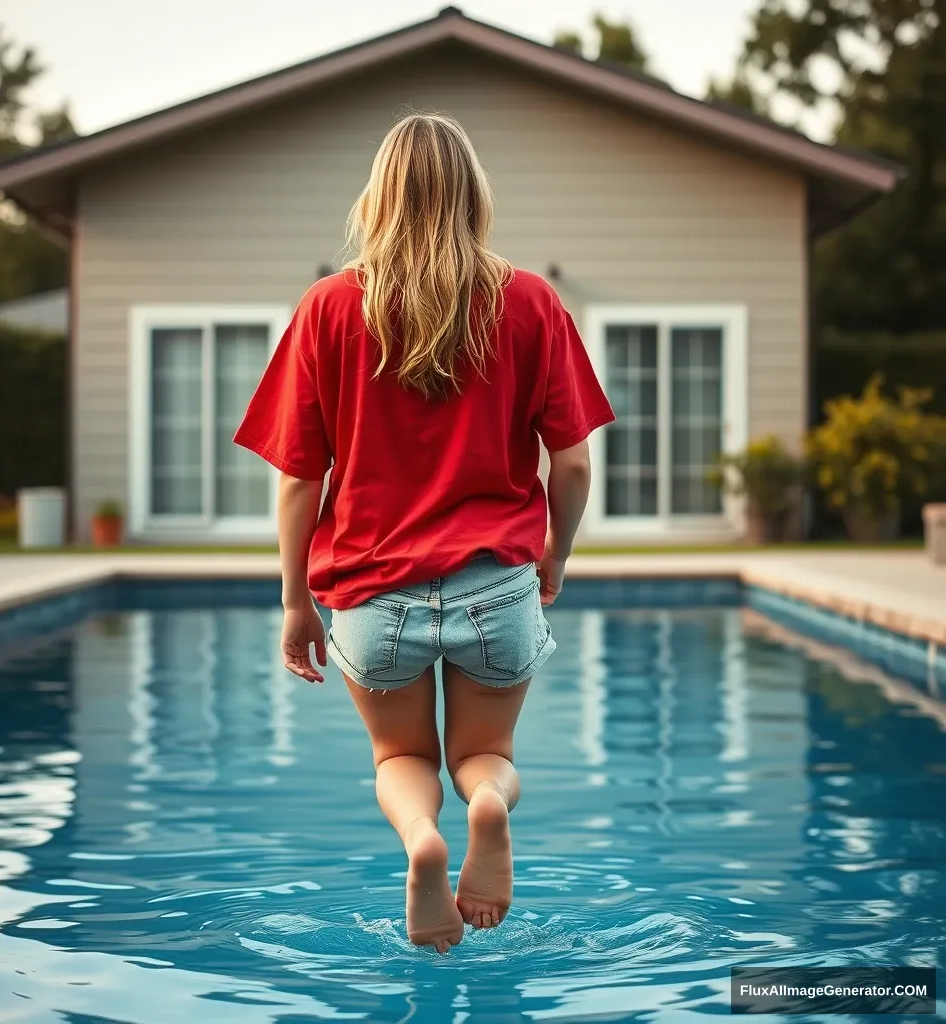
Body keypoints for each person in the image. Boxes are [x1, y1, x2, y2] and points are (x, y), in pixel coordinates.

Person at [233, 113, 614, 954]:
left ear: (378, 198)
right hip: (496, 587)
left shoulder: (332, 308)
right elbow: (575, 466)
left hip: (373, 597)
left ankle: (423, 843)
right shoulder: (530, 302)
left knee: (399, 762)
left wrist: (296, 601)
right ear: (474, 197)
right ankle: (484, 806)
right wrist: (552, 559)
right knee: (487, 757)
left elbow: (300, 479)